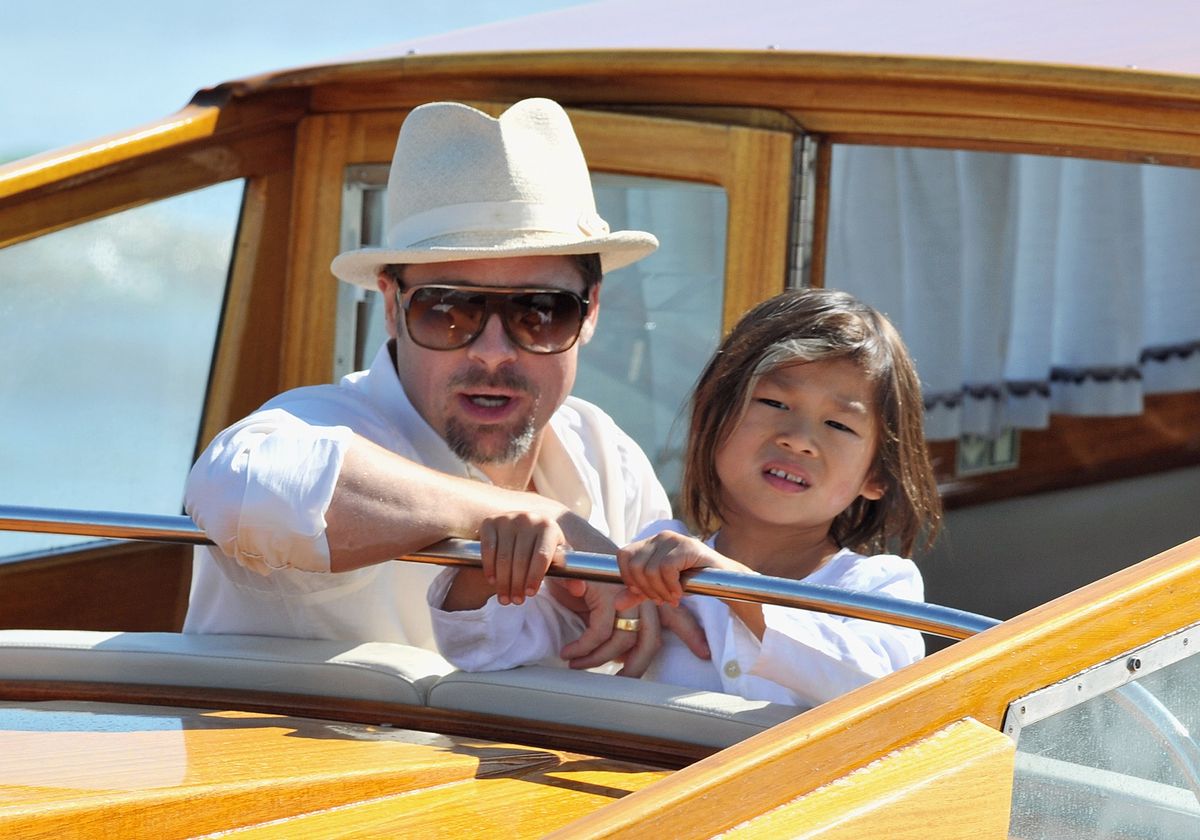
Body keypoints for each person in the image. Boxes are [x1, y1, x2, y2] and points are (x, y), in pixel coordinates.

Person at [183, 97, 705, 669]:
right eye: (448, 311)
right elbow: (243, 487)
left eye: (539, 311)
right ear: (391, 305)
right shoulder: (320, 424)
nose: (492, 352)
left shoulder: (606, 455)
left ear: (591, 311)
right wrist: (534, 520)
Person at [431, 288, 943, 707]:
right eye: (773, 402)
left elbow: (878, 689)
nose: (799, 438)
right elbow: (489, 648)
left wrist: (730, 587)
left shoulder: (879, 587)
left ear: (876, 474)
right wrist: (492, 556)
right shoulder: (647, 553)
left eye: (837, 423)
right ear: (712, 422)